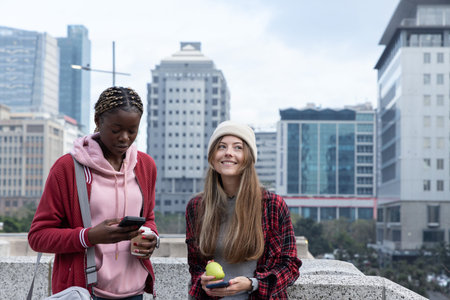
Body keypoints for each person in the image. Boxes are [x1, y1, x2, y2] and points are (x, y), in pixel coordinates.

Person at [28, 87, 159, 300]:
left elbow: (149, 219)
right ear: (98, 121)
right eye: (116, 130)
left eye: (132, 131)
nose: (124, 138)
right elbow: (38, 237)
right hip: (84, 292)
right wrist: (88, 236)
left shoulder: (146, 166)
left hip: (135, 292)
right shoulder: (67, 168)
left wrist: (152, 237)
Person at [185, 121, 302, 299]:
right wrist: (202, 280)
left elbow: (290, 265)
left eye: (238, 147)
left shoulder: (272, 205)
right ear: (212, 156)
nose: (228, 153)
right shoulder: (197, 206)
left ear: (249, 158)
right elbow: (195, 265)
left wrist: (252, 284)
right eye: (221, 146)